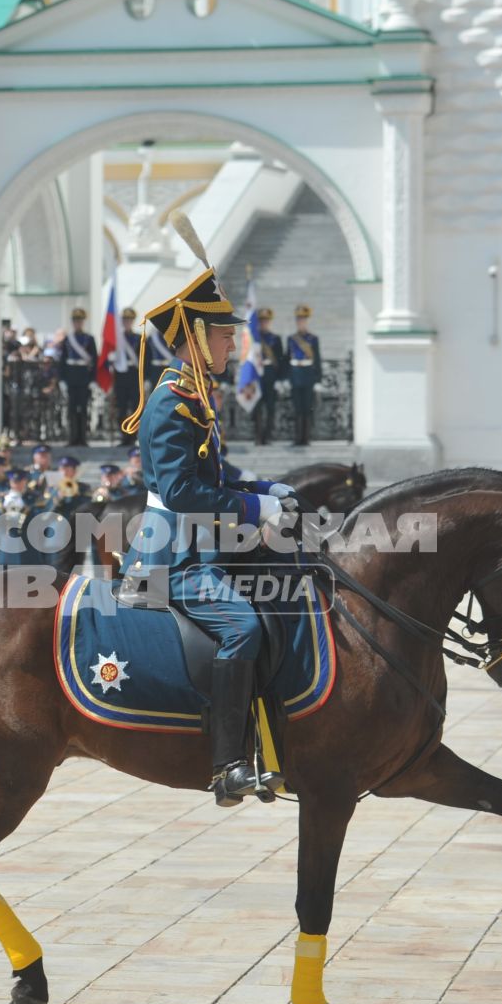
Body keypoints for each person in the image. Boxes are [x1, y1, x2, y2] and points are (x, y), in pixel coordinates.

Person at [122, 247, 299, 808]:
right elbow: (180, 492)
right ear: (196, 338)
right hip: (173, 553)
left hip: (202, 540)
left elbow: (211, 477)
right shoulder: (172, 403)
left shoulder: (194, 395)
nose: (233, 344)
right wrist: (254, 512)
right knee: (242, 627)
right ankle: (227, 765)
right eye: (224, 335)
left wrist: (262, 490)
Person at [58, 307, 98, 446]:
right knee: (71, 409)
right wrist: (62, 379)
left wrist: (93, 379)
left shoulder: (89, 339)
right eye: (75, 321)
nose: (78, 323)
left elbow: (94, 360)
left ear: (83, 322)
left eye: (80, 321)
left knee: (84, 409)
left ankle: (83, 438)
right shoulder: (68, 339)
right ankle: (72, 438)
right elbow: (62, 361)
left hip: (84, 378)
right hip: (71, 377)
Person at [286, 304, 323, 448]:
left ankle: (306, 438)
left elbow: (317, 359)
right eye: (298, 319)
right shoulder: (291, 339)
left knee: (307, 408)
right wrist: (285, 378)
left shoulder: (313, 339)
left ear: (307, 321)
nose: (301, 322)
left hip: (308, 374)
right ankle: (297, 438)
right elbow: (287, 358)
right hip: (295, 373)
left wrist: (318, 379)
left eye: (303, 319)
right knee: (297, 408)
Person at [253, 307, 285, 446]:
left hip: (270, 374)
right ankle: (258, 436)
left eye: (266, 321)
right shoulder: (254, 337)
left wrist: (279, 379)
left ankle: (268, 436)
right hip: (257, 376)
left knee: (270, 407)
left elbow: (280, 360)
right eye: (261, 321)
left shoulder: (275, 339)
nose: (264, 323)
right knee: (257, 407)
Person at [112, 306, 142, 432]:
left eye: (129, 320)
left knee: (136, 407)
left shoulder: (139, 338)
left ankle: (135, 435)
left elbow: (143, 359)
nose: (127, 322)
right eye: (125, 320)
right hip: (121, 376)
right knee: (122, 407)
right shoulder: (117, 339)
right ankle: (124, 435)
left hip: (134, 375)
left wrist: (143, 378)